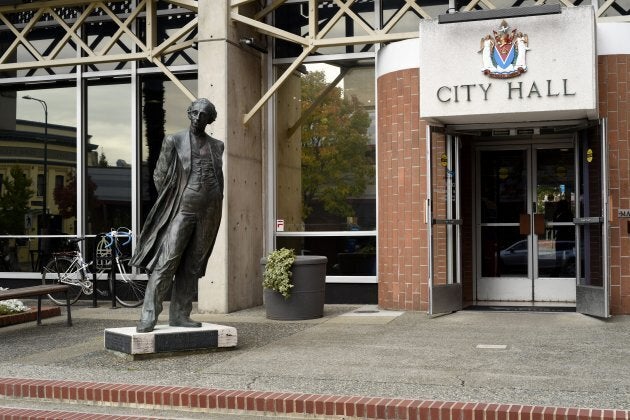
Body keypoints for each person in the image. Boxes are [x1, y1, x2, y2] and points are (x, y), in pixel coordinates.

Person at [130, 98, 224, 333]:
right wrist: (174, 199)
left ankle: (181, 314)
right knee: (167, 261)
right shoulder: (174, 140)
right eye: (195, 113)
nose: (198, 118)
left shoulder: (217, 145)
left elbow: (218, 176)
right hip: (182, 209)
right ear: (189, 113)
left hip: (210, 211)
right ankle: (149, 314)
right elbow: (160, 175)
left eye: (204, 115)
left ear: (210, 119)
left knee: (193, 265)